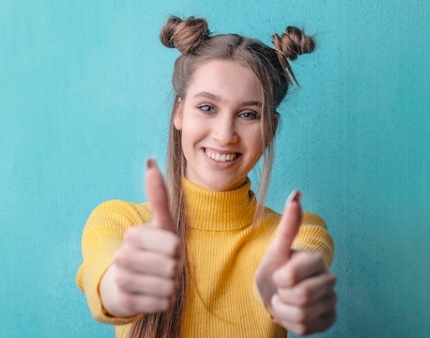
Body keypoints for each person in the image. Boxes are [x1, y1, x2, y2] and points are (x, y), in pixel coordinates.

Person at [76, 15, 337, 338]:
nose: (224, 134)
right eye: (207, 108)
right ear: (179, 112)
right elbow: (105, 280)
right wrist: (121, 286)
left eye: (248, 115)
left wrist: (292, 284)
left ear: (270, 129)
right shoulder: (119, 221)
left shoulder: (296, 232)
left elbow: (307, 254)